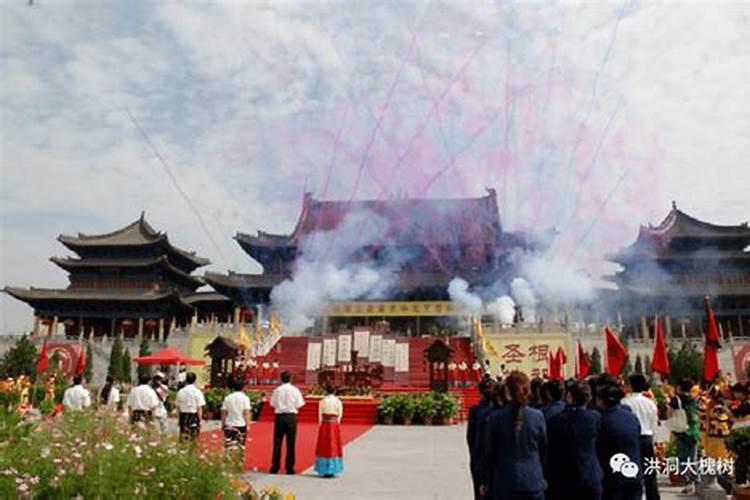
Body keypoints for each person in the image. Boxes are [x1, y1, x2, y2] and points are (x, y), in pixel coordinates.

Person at [480, 370, 546, 500]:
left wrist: (486, 480)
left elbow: (489, 453)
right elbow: (543, 449)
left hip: (505, 482)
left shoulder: (495, 418)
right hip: (533, 480)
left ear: (507, 392)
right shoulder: (538, 416)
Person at [546, 381, 603, 500]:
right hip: (590, 476)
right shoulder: (595, 418)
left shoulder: (556, 420)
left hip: (564, 479)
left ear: (569, 396)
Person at [595, 381, 643, 500]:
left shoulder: (599, 420)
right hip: (634, 472)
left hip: (612, 477)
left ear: (601, 401)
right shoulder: (631, 417)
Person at [622, 373, 660, 500]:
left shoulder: (625, 402)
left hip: (632, 439)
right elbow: (654, 424)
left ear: (630, 386)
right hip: (647, 438)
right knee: (650, 474)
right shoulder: (650, 403)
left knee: (631, 472)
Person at [270, 371, 305, 474]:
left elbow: (272, 403)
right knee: (291, 443)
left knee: (277, 442)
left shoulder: (277, 390)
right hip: (291, 416)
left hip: (280, 416)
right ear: (290, 379)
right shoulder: (295, 390)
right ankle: (289, 468)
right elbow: (299, 404)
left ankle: (275, 467)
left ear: (281, 379)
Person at [670, 378, 701, 494]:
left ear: (679, 388)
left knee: (682, 457)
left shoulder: (676, 399)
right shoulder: (694, 399)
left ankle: (687, 482)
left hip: (681, 431)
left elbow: (670, 414)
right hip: (694, 431)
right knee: (693, 456)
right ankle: (696, 480)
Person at [467, 378, 495, 500]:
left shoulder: (476, 410)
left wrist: (474, 455)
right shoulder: (501, 410)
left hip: (479, 457)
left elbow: (471, 437)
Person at [314, 385, 344, 478]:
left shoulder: (322, 401)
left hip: (325, 423)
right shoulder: (338, 401)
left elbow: (319, 414)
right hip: (334, 424)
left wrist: (321, 424)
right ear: (334, 391)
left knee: (324, 445)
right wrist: (337, 422)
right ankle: (333, 468)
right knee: (333, 445)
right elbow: (340, 414)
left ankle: (323, 468)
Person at [221, 378, 252, 451]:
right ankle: (239, 460)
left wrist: (223, 424)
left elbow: (224, 412)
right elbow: (246, 412)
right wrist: (248, 424)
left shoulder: (228, 398)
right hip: (241, 424)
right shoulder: (245, 398)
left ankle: (228, 460)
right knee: (240, 445)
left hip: (229, 423)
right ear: (243, 387)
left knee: (229, 445)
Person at [175, 372, 206, 440]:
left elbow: (177, 407)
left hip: (183, 415)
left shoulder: (181, 391)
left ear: (186, 380)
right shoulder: (197, 392)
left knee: (183, 437)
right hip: (193, 416)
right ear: (195, 380)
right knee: (193, 437)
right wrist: (200, 420)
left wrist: (178, 418)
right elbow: (199, 408)